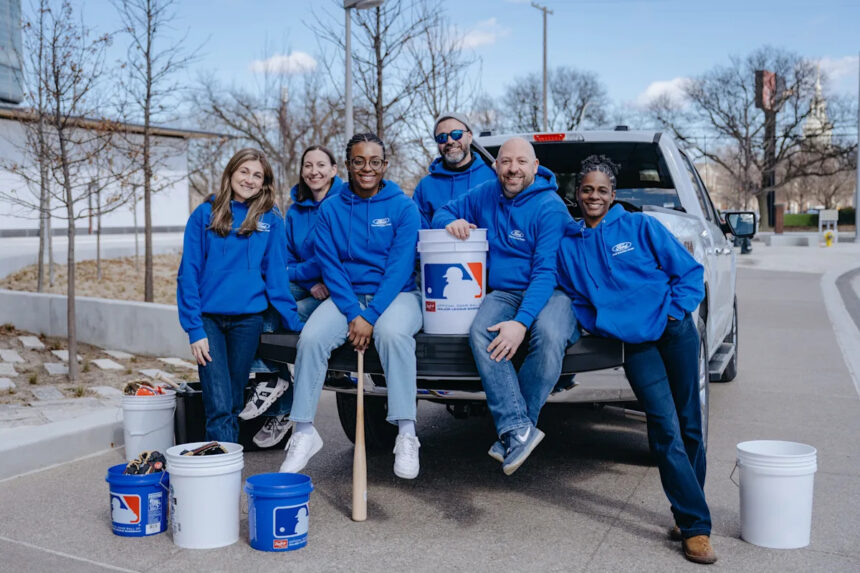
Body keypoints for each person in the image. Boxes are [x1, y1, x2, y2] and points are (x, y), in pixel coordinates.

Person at [556, 155, 715, 565]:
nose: (594, 196)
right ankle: (697, 527)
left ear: (613, 195)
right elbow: (575, 299)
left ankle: (686, 512)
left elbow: (688, 272)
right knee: (663, 426)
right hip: (635, 345)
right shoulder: (568, 244)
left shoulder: (640, 227)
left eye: (602, 190)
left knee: (689, 422)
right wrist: (604, 323)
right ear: (577, 193)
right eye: (586, 189)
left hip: (674, 333)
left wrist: (675, 313)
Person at [280, 132, 423, 479]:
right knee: (311, 339)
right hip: (348, 296)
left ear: (385, 166)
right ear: (347, 165)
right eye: (359, 161)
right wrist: (354, 313)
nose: (367, 168)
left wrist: (370, 317)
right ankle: (303, 432)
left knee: (392, 335)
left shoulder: (403, 207)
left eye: (375, 162)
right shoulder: (330, 208)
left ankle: (406, 432)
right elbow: (332, 268)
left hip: (398, 295)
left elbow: (400, 268)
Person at [432, 137, 575, 476]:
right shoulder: (485, 193)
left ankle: (516, 427)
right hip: (504, 291)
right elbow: (442, 212)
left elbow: (545, 273)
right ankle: (518, 428)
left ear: (535, 167)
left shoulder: (549, 207)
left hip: (553, 290)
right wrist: (450, 223)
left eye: (521, 162)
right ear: (495, 165)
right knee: (481, 330)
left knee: (551, 336)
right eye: (506, 161)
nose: (513, 168)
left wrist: (521, 323)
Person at [177, 148, 303, 443]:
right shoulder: (205, 214)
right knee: (218, 404)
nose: (249, 179)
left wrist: (296, 325)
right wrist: (194, 328)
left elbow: (275, 276)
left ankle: (226, 472)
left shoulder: (270, 219)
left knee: (233, 401)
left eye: (257, 175)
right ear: (231, 173)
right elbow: (188, 273)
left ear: (265, 182)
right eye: (244, 171)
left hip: (248, 321)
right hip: (208, 321)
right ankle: (220, 475)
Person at [239, 145, 344, 449]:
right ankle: (275, 384)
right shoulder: (296, 210)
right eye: (308, 165)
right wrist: (308, 280)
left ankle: (282, 403)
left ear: (334, 170)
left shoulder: (345, 202)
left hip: (338, 288)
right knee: (255, 304)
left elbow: (332, 256)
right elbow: (281, 260)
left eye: (321, 165)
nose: (314, 171)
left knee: (283, 315)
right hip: (308, 282)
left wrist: (307, 276)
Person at [413, 112, 496, 229]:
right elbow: (419, 233)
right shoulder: (425, 187)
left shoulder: (492, 176)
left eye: (456, 134)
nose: (450, 141)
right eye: (442, 137)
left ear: (470, 136)